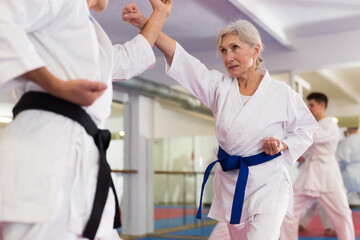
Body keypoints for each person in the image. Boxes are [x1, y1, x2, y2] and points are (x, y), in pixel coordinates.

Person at [123, 6, 318, 239]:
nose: (228, 57)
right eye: (223, 51)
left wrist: (283, 144)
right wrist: (146, 22)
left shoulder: (281, 93)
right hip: (231, 184)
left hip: (269, 184)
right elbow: (181, 59)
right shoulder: (219, 87)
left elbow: (307, 129)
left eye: (235, 48)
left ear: (255, 50)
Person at [0, 0, 172, 239]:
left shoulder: (88, 28)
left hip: (83, 158)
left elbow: (127, 59)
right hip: (46, 146)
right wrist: (55, 85)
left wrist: (160, 14)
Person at [280, 92, 355, 240]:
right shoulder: (313, 125)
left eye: (312, 105)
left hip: (328, 174)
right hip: (310, 173)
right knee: (288, 211)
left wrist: (290, 131)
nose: (309, 107)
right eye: (308, 104)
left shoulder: (330, 125)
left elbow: (312, 138)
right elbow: (308, 147)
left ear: (322, 105)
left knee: (342, 213)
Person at [337, 127, 360, 196]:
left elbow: (344, 159)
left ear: (349, 129)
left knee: (342, 196)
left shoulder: (346, 141)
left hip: (350, 172)